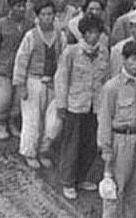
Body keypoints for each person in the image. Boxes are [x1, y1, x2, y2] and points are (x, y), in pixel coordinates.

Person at [54, 15, 110, 200]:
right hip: (75, 105)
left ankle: (81, 177)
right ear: (83, 34)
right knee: (72, 144)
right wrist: (62, 104)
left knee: (90, 144)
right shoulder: (71, 52)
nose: (93, 37)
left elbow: (106, 79)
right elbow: (62, 78)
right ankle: (68, 181)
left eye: (96, 33)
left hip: (95, 106)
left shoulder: (104, 53)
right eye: (89, 33)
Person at [97, 40, 136, 218]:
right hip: (120, 141)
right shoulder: (112, 87)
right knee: (115, 188)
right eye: (134, 59)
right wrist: (106, 151)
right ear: (124, 59)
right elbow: (104, 120)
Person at [13, 0, 66, 169]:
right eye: (43, 14)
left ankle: (44, 150)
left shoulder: (60, 36)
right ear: (37, 17)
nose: (47, 18)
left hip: (53, 83)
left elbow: (63, 61)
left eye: (50, 14)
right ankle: (30, 152)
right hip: (33, 81)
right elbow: (21, 61)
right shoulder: (31, 36)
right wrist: (20, 85)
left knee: (52, 122)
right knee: (32, 119)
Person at [0, 0, 34, 140]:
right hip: (4, 67)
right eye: (18, 6)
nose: (21, 9)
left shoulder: (29, 25)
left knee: (17, 101)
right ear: (11, 8)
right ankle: (2, 124)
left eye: (23, 6)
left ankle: (13, 123)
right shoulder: (0, 24)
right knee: (3, 99)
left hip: (22, 69)